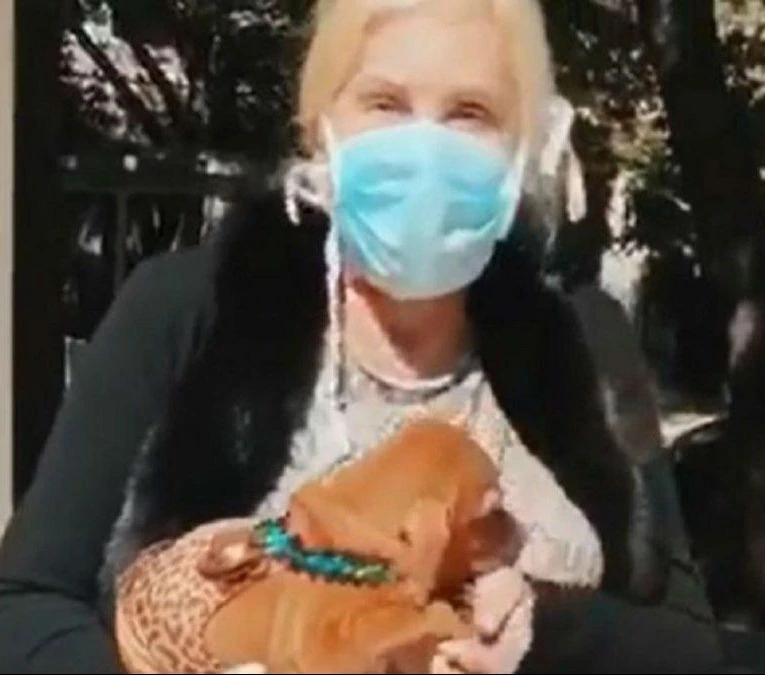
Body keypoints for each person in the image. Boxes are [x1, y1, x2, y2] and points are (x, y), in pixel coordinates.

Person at [0, 0, 728, 672]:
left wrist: (530, 623)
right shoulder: (189, 311)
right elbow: (26, 606)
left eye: (469, 112)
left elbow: (686, 646)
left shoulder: (581, 344)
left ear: (524, 147)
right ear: (320, 126)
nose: (423, 148)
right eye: (384, 103)